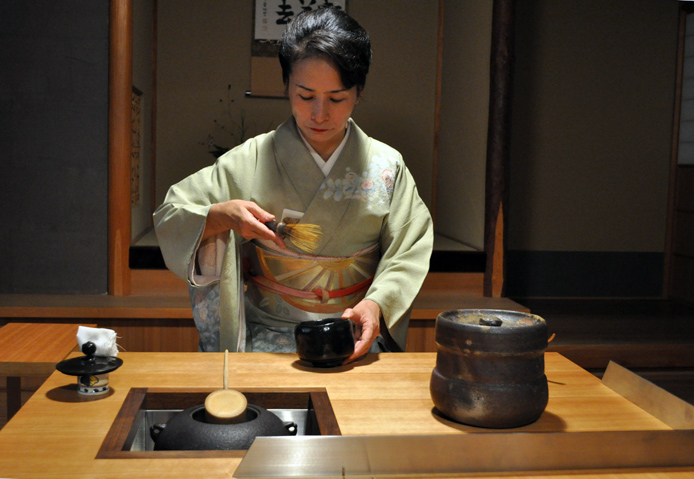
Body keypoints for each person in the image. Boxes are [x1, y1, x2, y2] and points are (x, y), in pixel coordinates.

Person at [153, 7, 433, 363]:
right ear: (286, 85)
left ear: (359, 92)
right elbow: (172, 213)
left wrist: (377, 304)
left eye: (336, 98)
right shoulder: (249, 160)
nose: (319, 113)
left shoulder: (386, 167)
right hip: (265, 336)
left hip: (356, 334)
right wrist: (220, 215)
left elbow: (409, 247)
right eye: (305, 96)